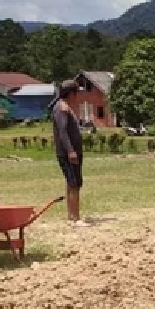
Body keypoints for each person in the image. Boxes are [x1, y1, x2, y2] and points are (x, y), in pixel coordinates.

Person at [52, 80, 90, 227]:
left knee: (72, 183)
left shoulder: (65, 107)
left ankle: (72, 216)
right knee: (74, 184)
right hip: (69, 153)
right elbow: (62, 132)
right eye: (77, 92)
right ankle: (75, 218)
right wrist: (70, 151)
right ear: (71, 93)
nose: (78, 95)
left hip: (71, 152)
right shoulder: (62, 108)